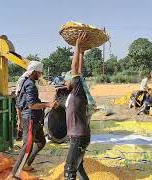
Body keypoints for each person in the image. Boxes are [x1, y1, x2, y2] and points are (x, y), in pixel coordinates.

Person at [9, 61, 58, 179]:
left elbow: (18, 104)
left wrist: (19, 120)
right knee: (27, 146)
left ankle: (27, 164)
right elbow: (31, 105)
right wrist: (48, 104)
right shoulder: (30, 84)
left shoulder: (24, 83)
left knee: (41, 142)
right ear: (34, 72)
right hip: (30, 119)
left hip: (33, 119)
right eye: (40, 72)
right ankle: (14, 174)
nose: (40, 75)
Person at [63, 32, 90, 180]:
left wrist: (77, 45)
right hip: (79, 135)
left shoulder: (78, 90)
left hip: (79, 136)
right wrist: (81, 53)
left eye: (67, 79)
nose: (65, 82)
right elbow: (78, 69)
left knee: (69, 170)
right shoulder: (74, 93)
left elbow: (75, 68)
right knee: (78, 166)